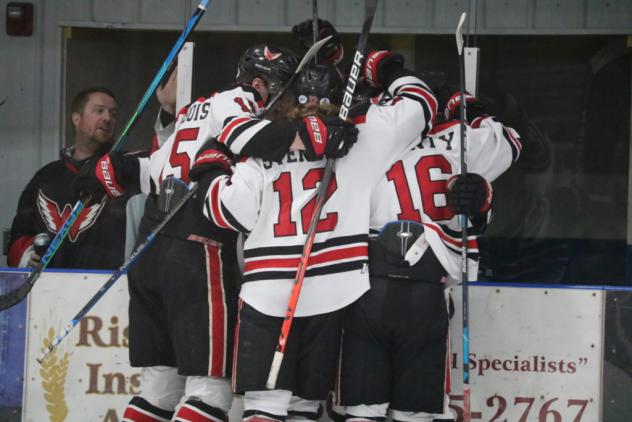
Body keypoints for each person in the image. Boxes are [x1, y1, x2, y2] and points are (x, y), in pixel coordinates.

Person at [73, 44, 356, 422]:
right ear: (258, 83)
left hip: (152, 251)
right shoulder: (237, 102)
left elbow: (151, 171)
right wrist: (310, 132)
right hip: (197, 253)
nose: (286, 101)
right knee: (211, 389)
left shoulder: (196, 110)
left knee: (159, 388)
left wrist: (111, 172)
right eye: (282, 90)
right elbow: (247, 138)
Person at [191, 52, 437, 421]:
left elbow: (226, 212)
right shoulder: (366, 141)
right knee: (305, 406)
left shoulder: (260, 152)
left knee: (264, 405)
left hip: (268, 294)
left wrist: (210, 165)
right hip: (334, 293)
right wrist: (387, 69)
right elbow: (422, 103)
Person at [336, 88, 522, 422]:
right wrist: (474, 113)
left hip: (367, 283)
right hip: (428, 286)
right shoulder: (459, 140)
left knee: (363, 411)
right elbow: (509, 142)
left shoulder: (372, 135)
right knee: (415, 413)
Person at [7, 86, 130, 270]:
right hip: (48, 288)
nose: (107, 118)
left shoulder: (125, 171)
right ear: (76, 118)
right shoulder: (45, 177)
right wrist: (26, 255)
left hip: (107, 288)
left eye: (113, 113)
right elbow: (19, 234)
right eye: (99, 110)